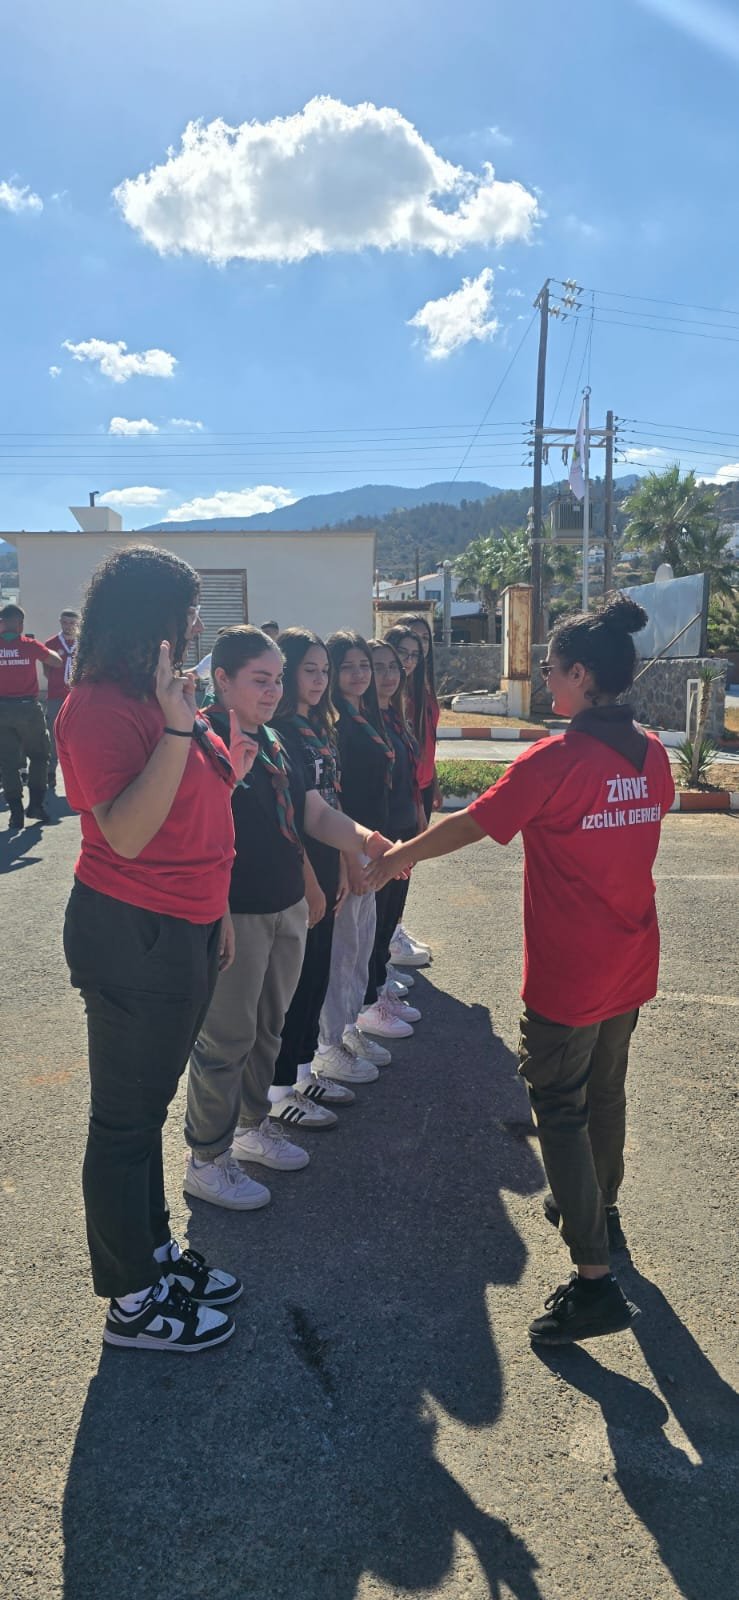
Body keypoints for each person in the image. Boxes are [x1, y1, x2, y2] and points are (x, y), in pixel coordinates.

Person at [365, 594, 675, 1347]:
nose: (544, 677)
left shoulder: (555, 760)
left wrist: (398, 858)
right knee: (603, 1091)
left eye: (552, 667)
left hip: (572, 971)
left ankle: (593, 1282)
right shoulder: (653, 754)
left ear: (581, 675)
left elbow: (473, 823)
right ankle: (598, 1210)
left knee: (560, 1108)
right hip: (631, 955)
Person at [56, 545, 254, 1354]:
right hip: (134, 933)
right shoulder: (99, 708)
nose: (196, 626)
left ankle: (153, 1254)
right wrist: (178, 727)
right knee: (125, 1124)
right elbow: (129, 835)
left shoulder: (159, 694)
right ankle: (131, 1303)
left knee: (145, 1113)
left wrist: (219, 912)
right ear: (152, 619)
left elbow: (197, 810)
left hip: (185, 925)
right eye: (186, 611)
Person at [183, 626, 392, 1211]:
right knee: (226, 1038)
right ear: (222, 679)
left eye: (277, 679)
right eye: (260, 680)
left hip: (284, 905)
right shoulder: (201, 740)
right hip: (237, 911)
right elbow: (194, 831)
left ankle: (251, 1127)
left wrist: (367, 842)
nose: (274, 691)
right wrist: (218, 912)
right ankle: (206, 1158)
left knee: (268, 1029)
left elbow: (309, 814)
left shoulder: (273, 740)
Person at [269, 628, 356, 1126]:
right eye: (310, 670)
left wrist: (342, 861)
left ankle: (303, 1074)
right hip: (299, 872)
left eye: (325, 670)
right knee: (295, 982)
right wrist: (311, 881)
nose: (320, 680)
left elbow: (331, 800)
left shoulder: (319, 728)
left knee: (317, 973)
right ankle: (278, 1089)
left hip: (327, 865)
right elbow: (293, 817)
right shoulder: (280, 733)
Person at [314, 631, 395, 1082]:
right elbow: (335, 797)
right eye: (346, 667)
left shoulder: (365, 715)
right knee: (343, 951)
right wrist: (349, 859)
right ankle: (328, 1044)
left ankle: (348, 1028)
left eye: (364, 665)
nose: (359, 674)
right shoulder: (334, 724)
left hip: (369, 847)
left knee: (362, 945)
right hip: (350, 849)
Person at [357, 638, 425, 1041]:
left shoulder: (395, 717)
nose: (386, 676)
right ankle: (368, 1003)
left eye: (393, 667)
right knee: (372, 923)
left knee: (388, 919)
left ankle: (379, 985)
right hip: (378, 838)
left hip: (402, 833)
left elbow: (408, 778)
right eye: (377, 666)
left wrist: (417, 818)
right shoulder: (360, 723)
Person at [384, 621, 436, 969]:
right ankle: (387, 940)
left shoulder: (421, 690)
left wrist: (434, 785)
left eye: (416, 652)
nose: (409, 660)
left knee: (406, 866)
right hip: (403, 792)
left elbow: (427, 743)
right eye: (401, 653)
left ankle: (394, 929)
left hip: (421, 787)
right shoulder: (389, 698)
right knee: (393, 868)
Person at [0, 602, 61, 828]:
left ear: (2, 623)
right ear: (21, 624)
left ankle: (15, 812)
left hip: (2, 710)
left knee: (8, 762)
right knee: (39, 755)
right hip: (27, 709)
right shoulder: (29, 645)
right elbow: (56, 661)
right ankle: (35, 805)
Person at [43, 609, 79, 789]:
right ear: (60, 622)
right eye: (65, 622)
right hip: (56, 696)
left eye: (72, 623)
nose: (68, 626)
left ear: (77, 623)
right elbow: (47, 671)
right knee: (54, 734)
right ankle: (51, 772)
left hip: (78, 697)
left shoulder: (84, 643)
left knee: (78, 735)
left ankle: (78, 774)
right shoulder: (51, 643)